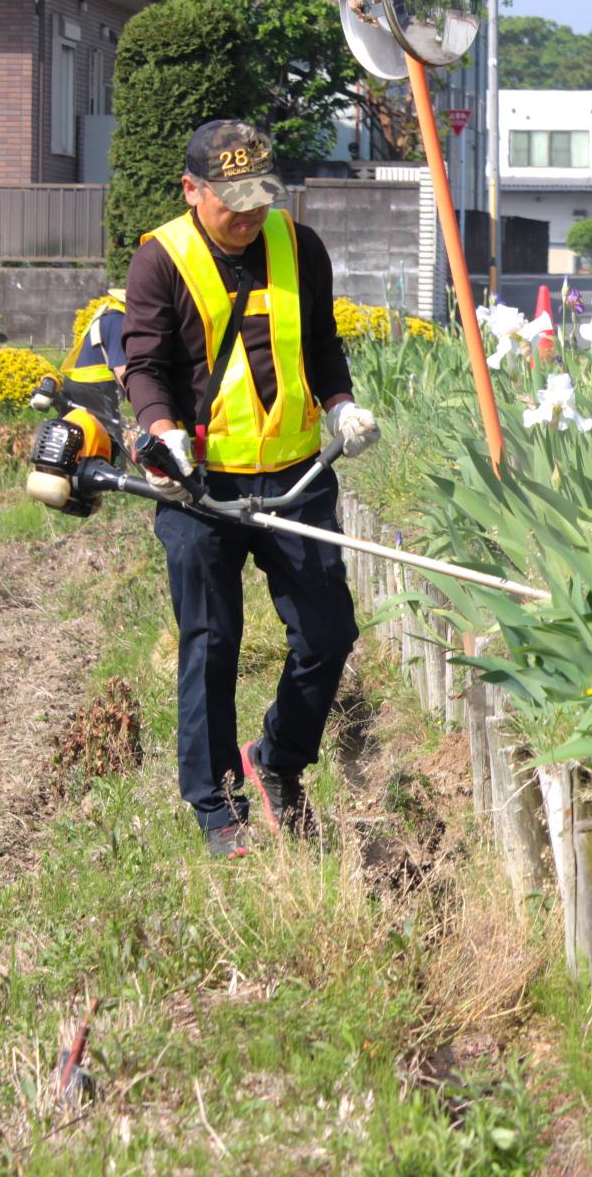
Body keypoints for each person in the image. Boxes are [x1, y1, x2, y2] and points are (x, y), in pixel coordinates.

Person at [122, 120, 381, 858]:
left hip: (296, 473)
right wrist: (161, 428)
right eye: (230, 200)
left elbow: (322, 341)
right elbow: (144, 362)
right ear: (192, 190)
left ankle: (277, 761)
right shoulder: (159, 260)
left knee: (329, 633)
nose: (247, 214)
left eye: (260, 197)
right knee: (212, 639)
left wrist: (340, 405)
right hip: (199, 485)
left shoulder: (300, 247)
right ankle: (213, 808)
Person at [58, 287, 129, 447]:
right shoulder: (120, 322)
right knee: (110, 442)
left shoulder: (107, 315)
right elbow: (120, 368)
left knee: (75, 441)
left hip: (74, 385)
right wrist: (140, 400)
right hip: (94, 390)